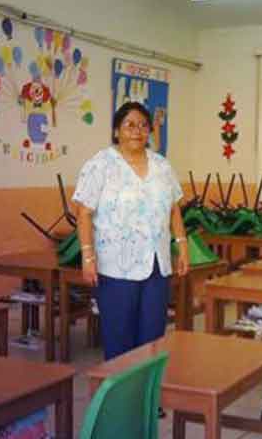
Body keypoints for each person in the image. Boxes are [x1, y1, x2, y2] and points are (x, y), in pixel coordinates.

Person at [72, 101, 189, 361]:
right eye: (130, 125)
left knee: (153, 339)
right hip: (116, 266)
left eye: (144, 125)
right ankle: (120, 388)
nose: (138, 131)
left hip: (156, 265)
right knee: (119, 338)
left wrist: (182, 246)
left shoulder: (162, 166)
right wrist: (87, 256)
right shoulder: (100, 164)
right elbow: (84, 212)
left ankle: (147, 388)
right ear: (117, 131)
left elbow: (173, 209)